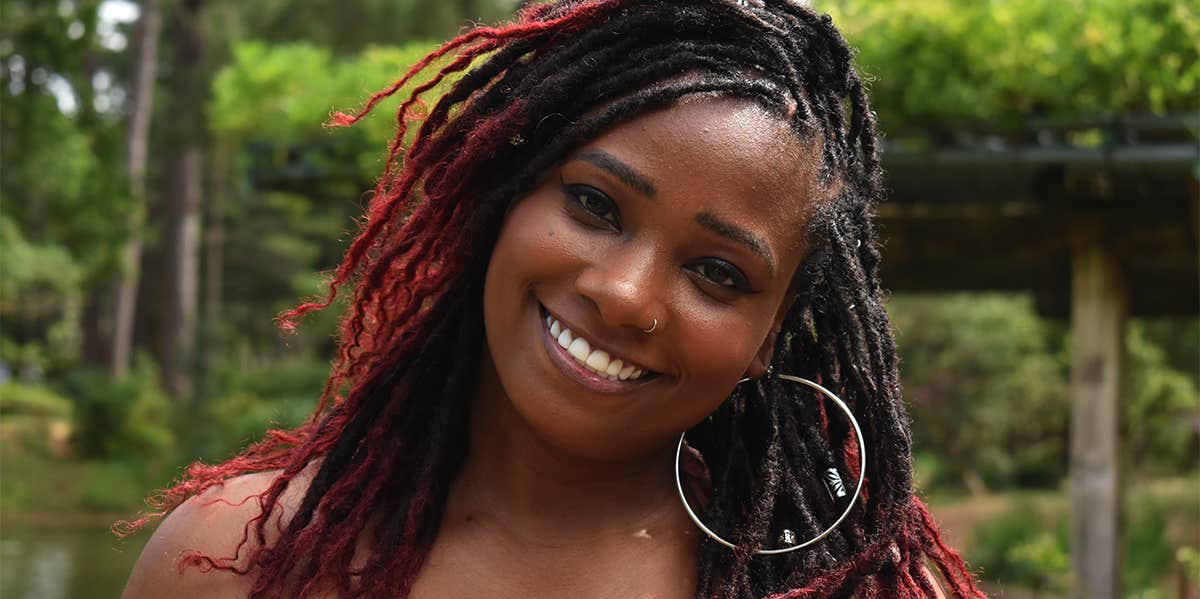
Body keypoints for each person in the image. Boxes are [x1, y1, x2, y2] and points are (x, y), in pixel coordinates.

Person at [121, 1, 985, 597]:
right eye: (594, 206)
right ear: (504, 198)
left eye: (719, 273)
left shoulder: (845, 590)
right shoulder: (234, 561)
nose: (625, 294)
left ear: (771, 334)